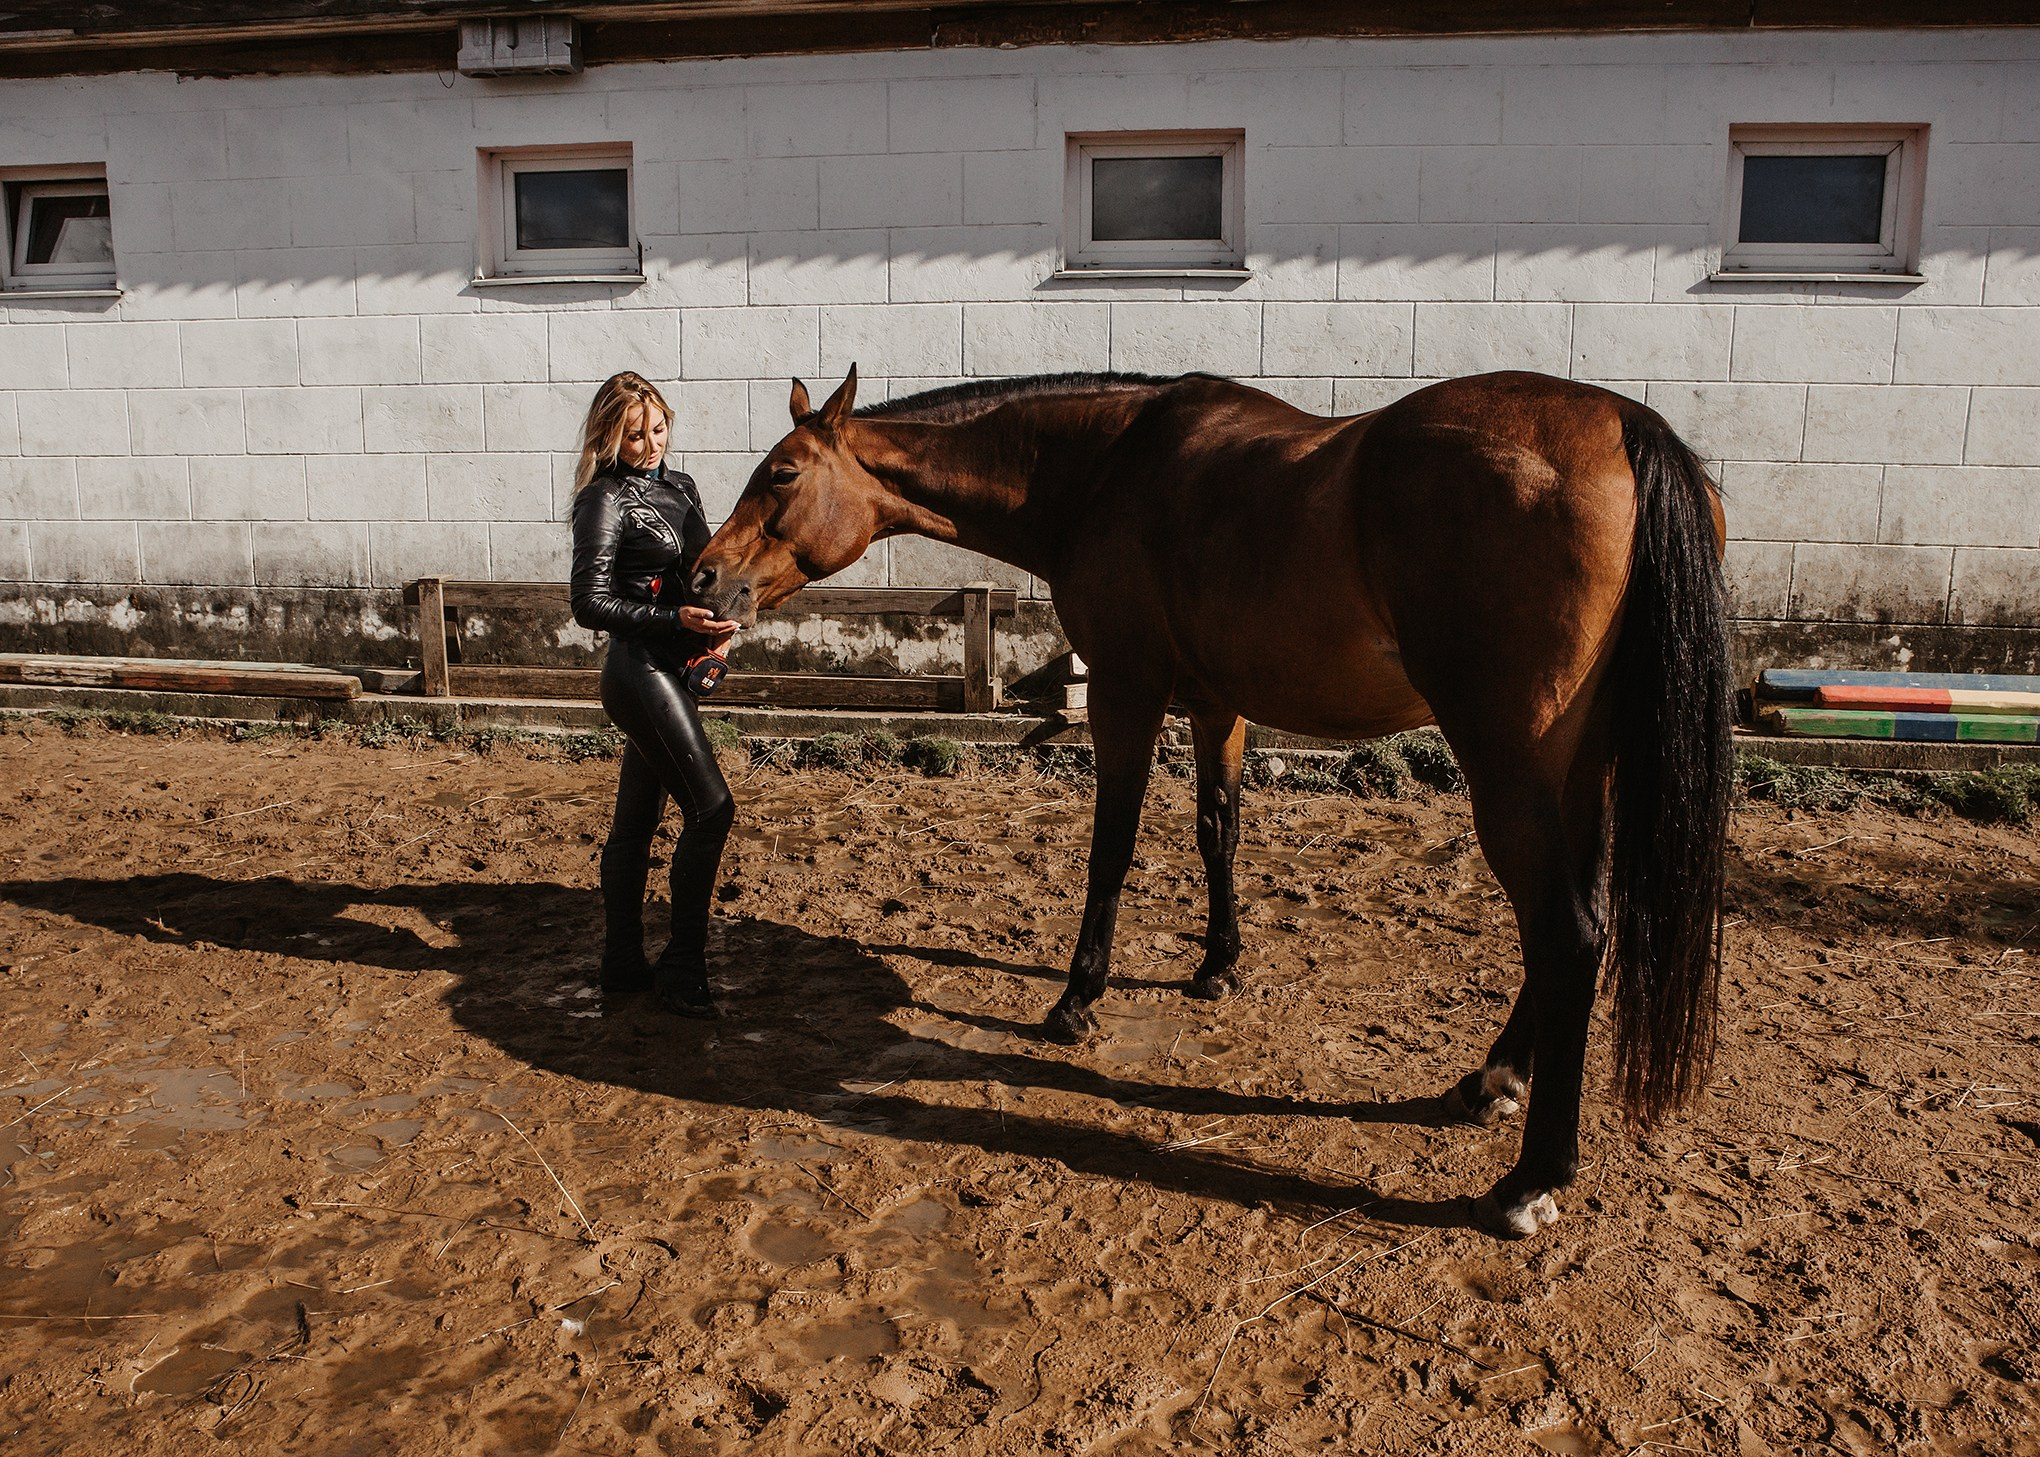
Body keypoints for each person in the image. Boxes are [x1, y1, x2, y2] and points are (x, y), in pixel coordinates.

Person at [568, 371, 739, 1016]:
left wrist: (723, 626)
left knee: (637, 821)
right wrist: (675, 623)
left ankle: (621, 962)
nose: (649, 444)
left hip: (681, 666)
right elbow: (589, 603)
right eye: (633, 434)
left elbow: (704, 572)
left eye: (658, 429)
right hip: (638, 669)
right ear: (609, 436)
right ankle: (683, 970)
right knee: (712, 810)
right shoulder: (603, 499)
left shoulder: (680, 488)